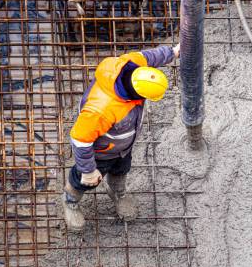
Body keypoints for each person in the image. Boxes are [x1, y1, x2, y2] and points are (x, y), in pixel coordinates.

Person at [63, 44, 180, 231]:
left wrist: (173, 52)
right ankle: (70, 201)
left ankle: (118, 193)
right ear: (138, 93)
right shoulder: (101, 109)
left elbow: (151, 56)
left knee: (121, 170)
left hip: (123, 148)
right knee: (81, 180)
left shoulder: (133, 65)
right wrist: (88, 170)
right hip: (100, 153)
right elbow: (80, 139)